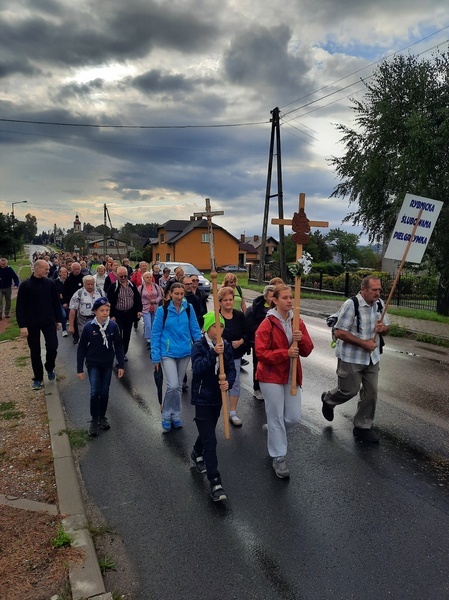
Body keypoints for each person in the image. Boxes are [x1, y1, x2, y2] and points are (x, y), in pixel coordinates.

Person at [320, 276, 390, 444]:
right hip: (351, 357)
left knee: (371, 393)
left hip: (372, 358)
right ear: (364, 289)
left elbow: (387, 328)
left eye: (379, 289)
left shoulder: (380, 305)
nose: (378, 293)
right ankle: (328, 400)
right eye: (374, 290)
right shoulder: (351, 305)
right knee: (349, 390)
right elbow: (340, 332)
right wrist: (363, 344)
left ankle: (362, 427)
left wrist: (383, 328)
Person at [255, 284, 314, 479]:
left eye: (291, 297)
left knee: (293, 417)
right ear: (275, 300)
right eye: (285, 298)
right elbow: (261, 353)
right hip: (271, 376)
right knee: (276, 418)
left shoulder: (297, 321)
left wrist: (301, 338)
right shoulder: (268, 324)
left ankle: (273, 431)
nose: (290, 301)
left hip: (291, 376)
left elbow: (307, 350)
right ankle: (278, 457)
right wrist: (285, 353)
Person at [190, 312, 236, 502]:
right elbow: (198, 369)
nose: (220, 330)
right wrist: (212, 353)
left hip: (218, 397)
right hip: (202, 398)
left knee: (206, 432)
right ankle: (215, 482)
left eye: (222, 326)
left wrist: (228, 383)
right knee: (211, 440)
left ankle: (196, 452)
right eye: (216, 326)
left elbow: (231, 369)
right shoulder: (199, 346)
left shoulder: (226, 346)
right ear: (208, 328)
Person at [151, 282, 202, 431]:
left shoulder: (189, 308)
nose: (179, 297)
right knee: (172, 385)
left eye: (181, 294)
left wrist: (199, 348)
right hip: (168, 353)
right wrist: (155, 356)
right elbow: (155, 333)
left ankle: (176, 415)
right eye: (176, 294)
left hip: (185, 352)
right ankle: (166, 415)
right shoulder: (163, 310)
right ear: (170, 294)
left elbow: (195, 329)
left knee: (178, 386)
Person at [77, 297, 125, 437]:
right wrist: (79, 368)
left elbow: (118, 346)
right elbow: (81, 349)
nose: (105, 313)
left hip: (107, 364)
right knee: (94, 392)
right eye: (102, 310)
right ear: (95, 312)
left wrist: (121, 364)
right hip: (93, 364)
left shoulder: (112, 326)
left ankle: (102, 416)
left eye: (107, 310)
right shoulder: (89, 327)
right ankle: (94, 419)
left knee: (104, 392)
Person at [16, 259, 62, 390]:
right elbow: (20, 307)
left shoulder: (50, 283)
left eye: (48, 269)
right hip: (32, 323)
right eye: (45, 269)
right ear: (36, 269)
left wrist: (58, 320)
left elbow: (56, 303)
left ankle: (49, 367)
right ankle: (37, 378)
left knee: (53, 347)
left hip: (48, 321)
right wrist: (22, 326)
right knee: (35, 351)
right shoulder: (25, 285)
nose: (48, 271)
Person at [218, 286, 248, 427]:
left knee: (234, 382)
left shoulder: (239, 316)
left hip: (235, 355)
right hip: (218, 355)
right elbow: (209, 335)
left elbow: (247, 333)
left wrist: (241, 341)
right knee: (217, 383)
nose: (229, 303)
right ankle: (216, 409)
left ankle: (233, 412)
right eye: (225, 300)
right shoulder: (216, 317)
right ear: (220, 302)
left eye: (230, 300)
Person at [245, 285, 275, 400]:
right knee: (258, 364)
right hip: (258, 341)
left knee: (272, 364)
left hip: (273, 342)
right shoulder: (256, 308)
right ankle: (257, 388)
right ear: (265, 297)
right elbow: (249, 324)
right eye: (271, 296)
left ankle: (270, 386)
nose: (273, 299)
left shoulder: (278, 308)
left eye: (275, 296)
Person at [107, 266, 143, 361]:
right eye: (121, 276)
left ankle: (123, 353)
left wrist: (139, 310)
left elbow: (137, 299)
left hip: (129, 314)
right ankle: (119, 354)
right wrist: (112, 315)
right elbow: (109, 302)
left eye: (125, 276)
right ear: (117, 276)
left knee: (127, 335)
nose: (123, 278)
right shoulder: (113, 287)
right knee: (118, 335)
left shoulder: (132, 285)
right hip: (118, 313)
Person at [68, 275, 104, 340]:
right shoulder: (79, 293)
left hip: (98, 319)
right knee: (84, 339)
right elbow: (73, 310)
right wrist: (71, 326)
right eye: (88, 284)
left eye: (92, 284)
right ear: (84, 284)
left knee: (98, 339)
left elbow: (106, 305)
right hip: (83, 321)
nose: (90, 286)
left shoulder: (100, 291)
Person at [139, 271, 163, 349]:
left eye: (150, 277)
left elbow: (160, 296)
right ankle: (149, 341)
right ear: (144, 278)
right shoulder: (141, 287)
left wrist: (156, 301)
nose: (149, 279)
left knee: (153, 325)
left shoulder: (156, 286)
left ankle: (154, 339)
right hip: (145, 308)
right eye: (147, 277)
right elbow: (138, 298)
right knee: (148, 324)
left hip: (155, 308)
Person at [62, 262, 84, 344]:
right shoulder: (69, 279)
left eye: (78, 269)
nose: (77, 271)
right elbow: (64, 291)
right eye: (75, 269)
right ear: (72, 269)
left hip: (82, 302)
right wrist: (65, 302)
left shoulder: (83, 277)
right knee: (74, 320)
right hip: (72, 303)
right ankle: (75, 336)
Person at [54, 266, 69, 337]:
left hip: (69, 301)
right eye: (62, 272)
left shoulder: (69, 281)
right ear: (59, 273)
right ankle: (64, 330)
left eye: (65, 272)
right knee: (63, 315)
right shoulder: (56, 282)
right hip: (59, 302)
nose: (64, 274)